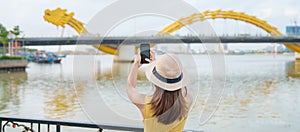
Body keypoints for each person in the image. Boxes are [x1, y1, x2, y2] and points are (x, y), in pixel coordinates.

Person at [127, 49, 193, 132]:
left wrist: (136, 64)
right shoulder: (187, 101)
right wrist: (160, 70)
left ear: (155, 83)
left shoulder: (145, 104)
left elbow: (130, 87)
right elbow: (178, 88)